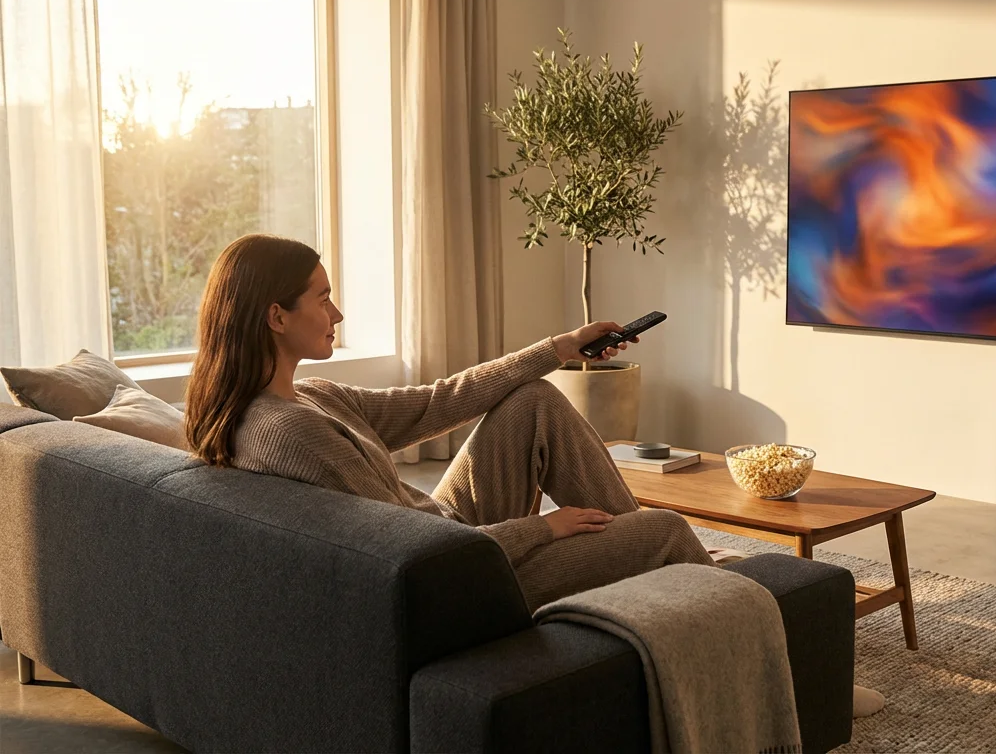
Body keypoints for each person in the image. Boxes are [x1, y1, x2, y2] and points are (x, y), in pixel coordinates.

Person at [184, 233, 714, 610]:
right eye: (324, 299)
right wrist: (543, 528)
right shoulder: (290, 432)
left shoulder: (308, 398)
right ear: (277, 317)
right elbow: (411, 552)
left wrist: (562, 347)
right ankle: (707, 586)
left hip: (450, 530)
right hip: (461, 572)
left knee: (533, 400)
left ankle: (636, 553)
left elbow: (438, 402)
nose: (338, 315)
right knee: (665, 530)